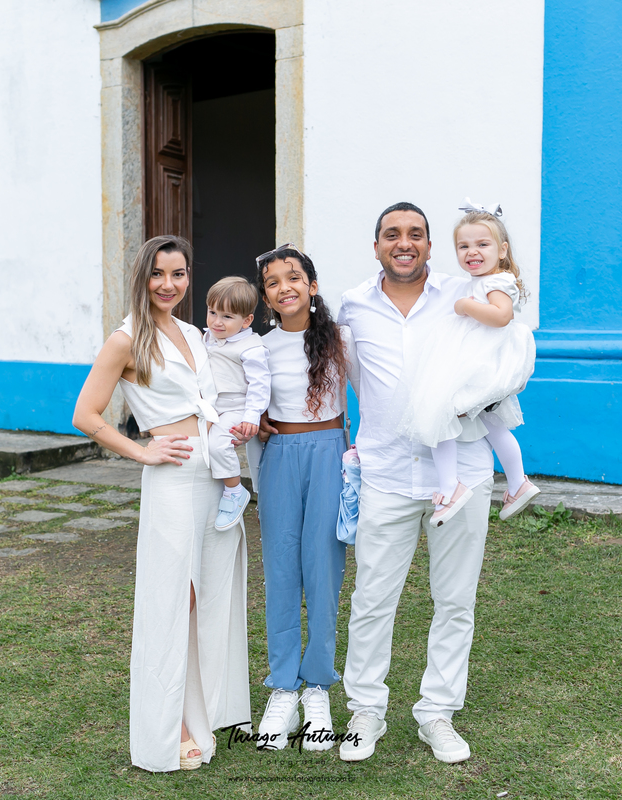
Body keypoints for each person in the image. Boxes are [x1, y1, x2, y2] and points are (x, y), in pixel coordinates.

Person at [71, 235, 250, 773]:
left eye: (178, 273)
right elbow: (86, 413)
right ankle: (165, 726)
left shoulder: (197, 333)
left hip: (216, 474)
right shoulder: (126, 339)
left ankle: (208, 712)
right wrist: (141, 451)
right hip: (172, 476)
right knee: (173, 598)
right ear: (141, 278)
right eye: (158, 274)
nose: (168, 285)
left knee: (214, 596)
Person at [337, 202, 495, 764]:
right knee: (372, 598)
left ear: (430, 245)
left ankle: (437, 714)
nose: (404, 243)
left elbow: (500, 352)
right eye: (391, 234)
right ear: (376, 244)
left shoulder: (463, 296)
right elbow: (350, 379)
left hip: (461, 475)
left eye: (416, 234)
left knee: (455, 600)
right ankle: (365, 711)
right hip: (384, 474)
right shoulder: (352, 306)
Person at [253, 244, 357, 752]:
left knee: (323, 567)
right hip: (280, 455)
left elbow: (375, 395)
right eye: (273, 282)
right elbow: (234, 400)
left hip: (330, 453)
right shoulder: (258, 347)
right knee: (281, 569)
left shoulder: (340, 340)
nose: (284, 287)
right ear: (267, 296)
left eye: (293, 277)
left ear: (312, 286)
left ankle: (317, 685)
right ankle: (282, 687)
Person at [396, 202, 539, 526]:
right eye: (464, 246)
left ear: (502, 250)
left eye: (482, 244)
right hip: (478, 358)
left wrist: (464, 306)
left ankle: (451, 487)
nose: (472, 252)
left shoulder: (496, 282)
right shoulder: (487, 279)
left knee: (439, 411)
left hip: (480, 361)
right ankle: (517, 483)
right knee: (493, 425)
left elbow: (502, 316)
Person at [202, 276, 270, 530]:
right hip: (211, 406)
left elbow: (260, 385)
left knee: (219, 446)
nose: (217, 321)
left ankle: (234, 491)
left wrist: (251, 416)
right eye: (212, 312)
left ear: (246, 320)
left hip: (236, 408)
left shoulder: (251, 347)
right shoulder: (207, 337)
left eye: (227, 317)